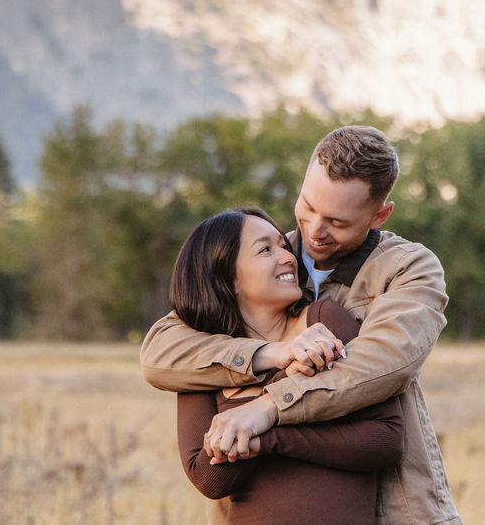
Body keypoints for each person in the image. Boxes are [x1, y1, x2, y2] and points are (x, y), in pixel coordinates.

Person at [142, 126, 461, 524]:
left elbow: (385, 362)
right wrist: (269, 352)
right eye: (307, 206)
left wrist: (271, 407)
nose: (313, 231)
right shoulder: (261, 259)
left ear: (379, 215)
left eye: (337, 221)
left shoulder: (409, 269)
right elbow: (160, 351)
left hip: (397, 512)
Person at [170, 207, 405, 522]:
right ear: (227, 277)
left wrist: (270, 435)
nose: (288, 257)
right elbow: (208, 479)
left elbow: (386, 440)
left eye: (283, 245)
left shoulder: (323, 323)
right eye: (266, 249)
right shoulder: (205, 363)